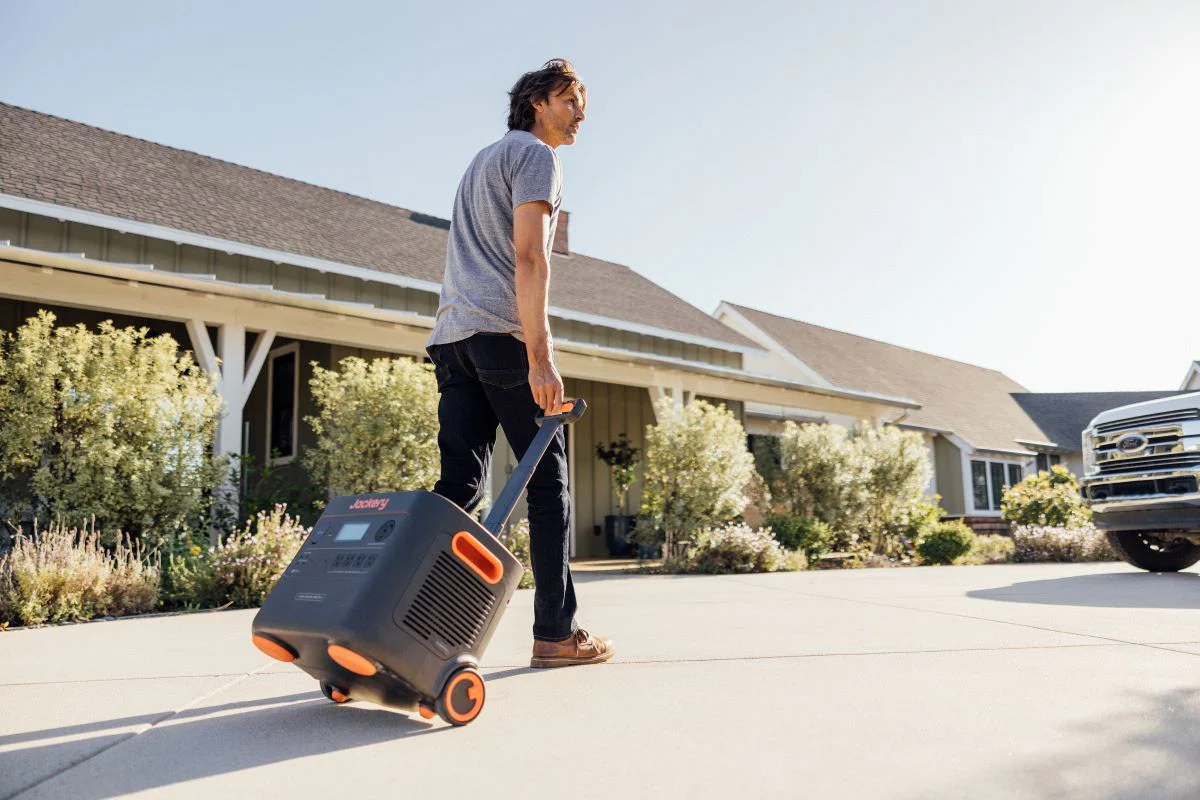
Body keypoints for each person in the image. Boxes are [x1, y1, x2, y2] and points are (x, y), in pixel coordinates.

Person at [426, 59, 614, 669]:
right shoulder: (537, 157)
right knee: (549, 485)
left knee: (458, 488)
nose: (581, 112)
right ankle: (556, 635)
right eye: (570, 99)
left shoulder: (480, 161)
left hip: (452, 338)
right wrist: (541, 357)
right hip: (501, 340)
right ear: (537, 101)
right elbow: (530, 259)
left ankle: (416, 626)